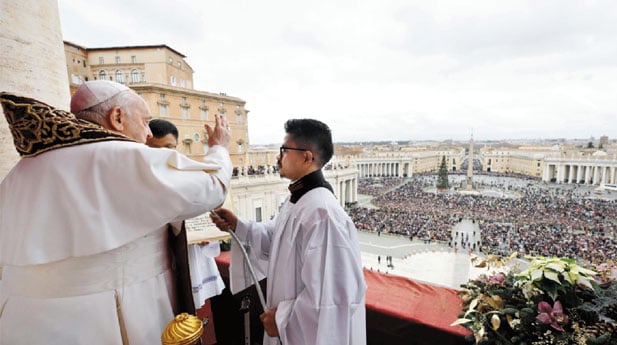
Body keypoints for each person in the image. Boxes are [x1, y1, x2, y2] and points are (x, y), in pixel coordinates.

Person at [0, 80, 232, 345]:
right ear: (117, 117)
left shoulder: (21, 171)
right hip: (102, 317)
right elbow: (213, 186)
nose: (147, 134)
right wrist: (219, 148)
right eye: (145, 121)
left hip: (22, 319)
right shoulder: (121, 155)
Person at [210, 119, 366, 345]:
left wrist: (284, 320)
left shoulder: (322, 214)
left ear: (306, 157)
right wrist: (238, 225)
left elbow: (331, 295)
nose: (277, 157)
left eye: (284, 150)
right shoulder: (298, 201)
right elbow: (276, 241)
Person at [147, 118, 226, 309]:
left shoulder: (190, 174)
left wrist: (208, 236)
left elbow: (208, 203)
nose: (163, 155)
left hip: (191, 257)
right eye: (155, 150)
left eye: (169, 148)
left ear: (177, 145)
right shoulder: (143, 177)